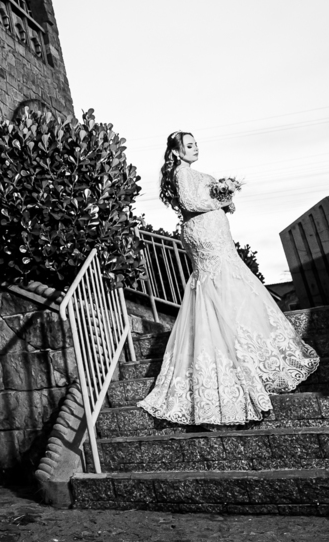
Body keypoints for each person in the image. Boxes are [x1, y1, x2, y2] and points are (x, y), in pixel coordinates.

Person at [137, 131, 319, 428]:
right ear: (177, 152)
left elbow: (210, 200)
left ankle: (251, 349)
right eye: (189, 145)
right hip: (203, 238)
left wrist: (226, 198)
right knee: (215, 289)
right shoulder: (182, 174)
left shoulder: (200, 173)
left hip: (218, 235)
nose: (195, 149)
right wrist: (221, 199)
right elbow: (190, 203)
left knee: (234, 288)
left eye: (196, 144)